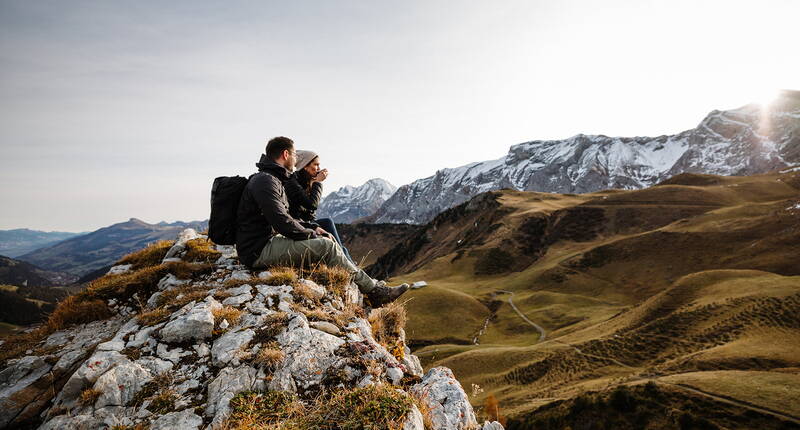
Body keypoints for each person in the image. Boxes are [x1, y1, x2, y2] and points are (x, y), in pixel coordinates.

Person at [235, 136, 408, 305]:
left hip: (263, 242)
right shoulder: (266, 181)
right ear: (286, 155)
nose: (295, 161)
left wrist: (313, 228)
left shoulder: (271, 179)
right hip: (258, 250)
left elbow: (285, 217)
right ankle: (375, 292)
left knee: (323, 237)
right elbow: (281, 222)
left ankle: (366, 282)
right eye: (295, 155)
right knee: (326, 246)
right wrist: (310, 232)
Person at [284, 150, 353, 262]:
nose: (318, 168)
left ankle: (349, 266)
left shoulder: (305, 182)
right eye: (315, 165)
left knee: (328, 224)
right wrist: (318, 183)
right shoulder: (292, 183)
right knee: (333, 235)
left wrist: (313, 182)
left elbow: (310, 214)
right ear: (305, 166)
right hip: (296, 224)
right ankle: (349, 268)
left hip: (305, 222)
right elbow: (312, 205)